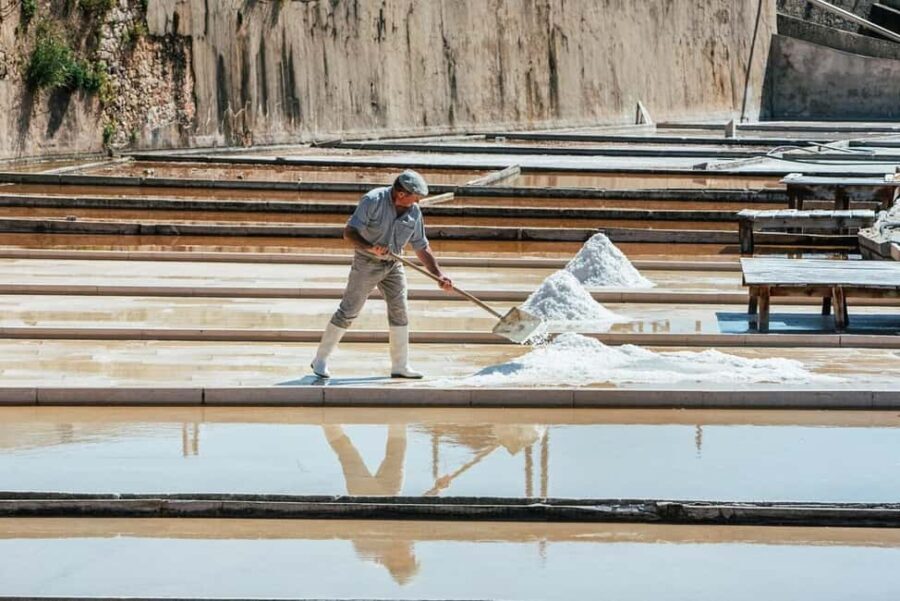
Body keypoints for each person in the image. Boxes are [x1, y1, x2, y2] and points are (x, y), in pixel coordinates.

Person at [310, 170, 453, 379]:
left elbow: (421, 246)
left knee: (400, 310)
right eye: (416, 197)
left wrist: (439, 274)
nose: (418, 201)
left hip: (394, 264)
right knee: (349, 310)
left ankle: (400, 365)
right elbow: (349, 232)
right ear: (402, 194)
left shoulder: (414, 212)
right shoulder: (373, 200)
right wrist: (371, 248)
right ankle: (320, 359)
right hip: (367, 263)